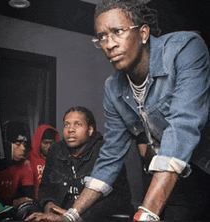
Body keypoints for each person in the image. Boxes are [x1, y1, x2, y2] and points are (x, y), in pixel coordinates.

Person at [27, 0, 210, 221]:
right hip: (172, 177)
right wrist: (71, 216)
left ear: (143, 33)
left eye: (117, 31)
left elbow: (182, 127)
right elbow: (111, 156)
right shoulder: (113, 88)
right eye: (102, 36)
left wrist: (148, 211)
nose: (108, 44)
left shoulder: (186, 48)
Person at [26, 106, 134, 221]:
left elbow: (119, 198)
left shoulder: (105, 153)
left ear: (90, 130)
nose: (70, 129)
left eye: (78, 124)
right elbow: (45, 188)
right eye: (67, 124)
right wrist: (48, 205)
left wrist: (77, 217)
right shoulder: (55, 150)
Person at [0, 121, 35, 208]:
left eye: (24, 144)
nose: (23, 148)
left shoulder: (25, 165)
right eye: (18, 144)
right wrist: (12, 202)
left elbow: (28, 199)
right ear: (6, 145)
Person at [27, 124, 60, 199]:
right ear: (39, 142)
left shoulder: (59, 159)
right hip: (35, 201)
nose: (48, 147)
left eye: (51, 143)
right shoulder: (29, 160)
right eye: (45, 143)